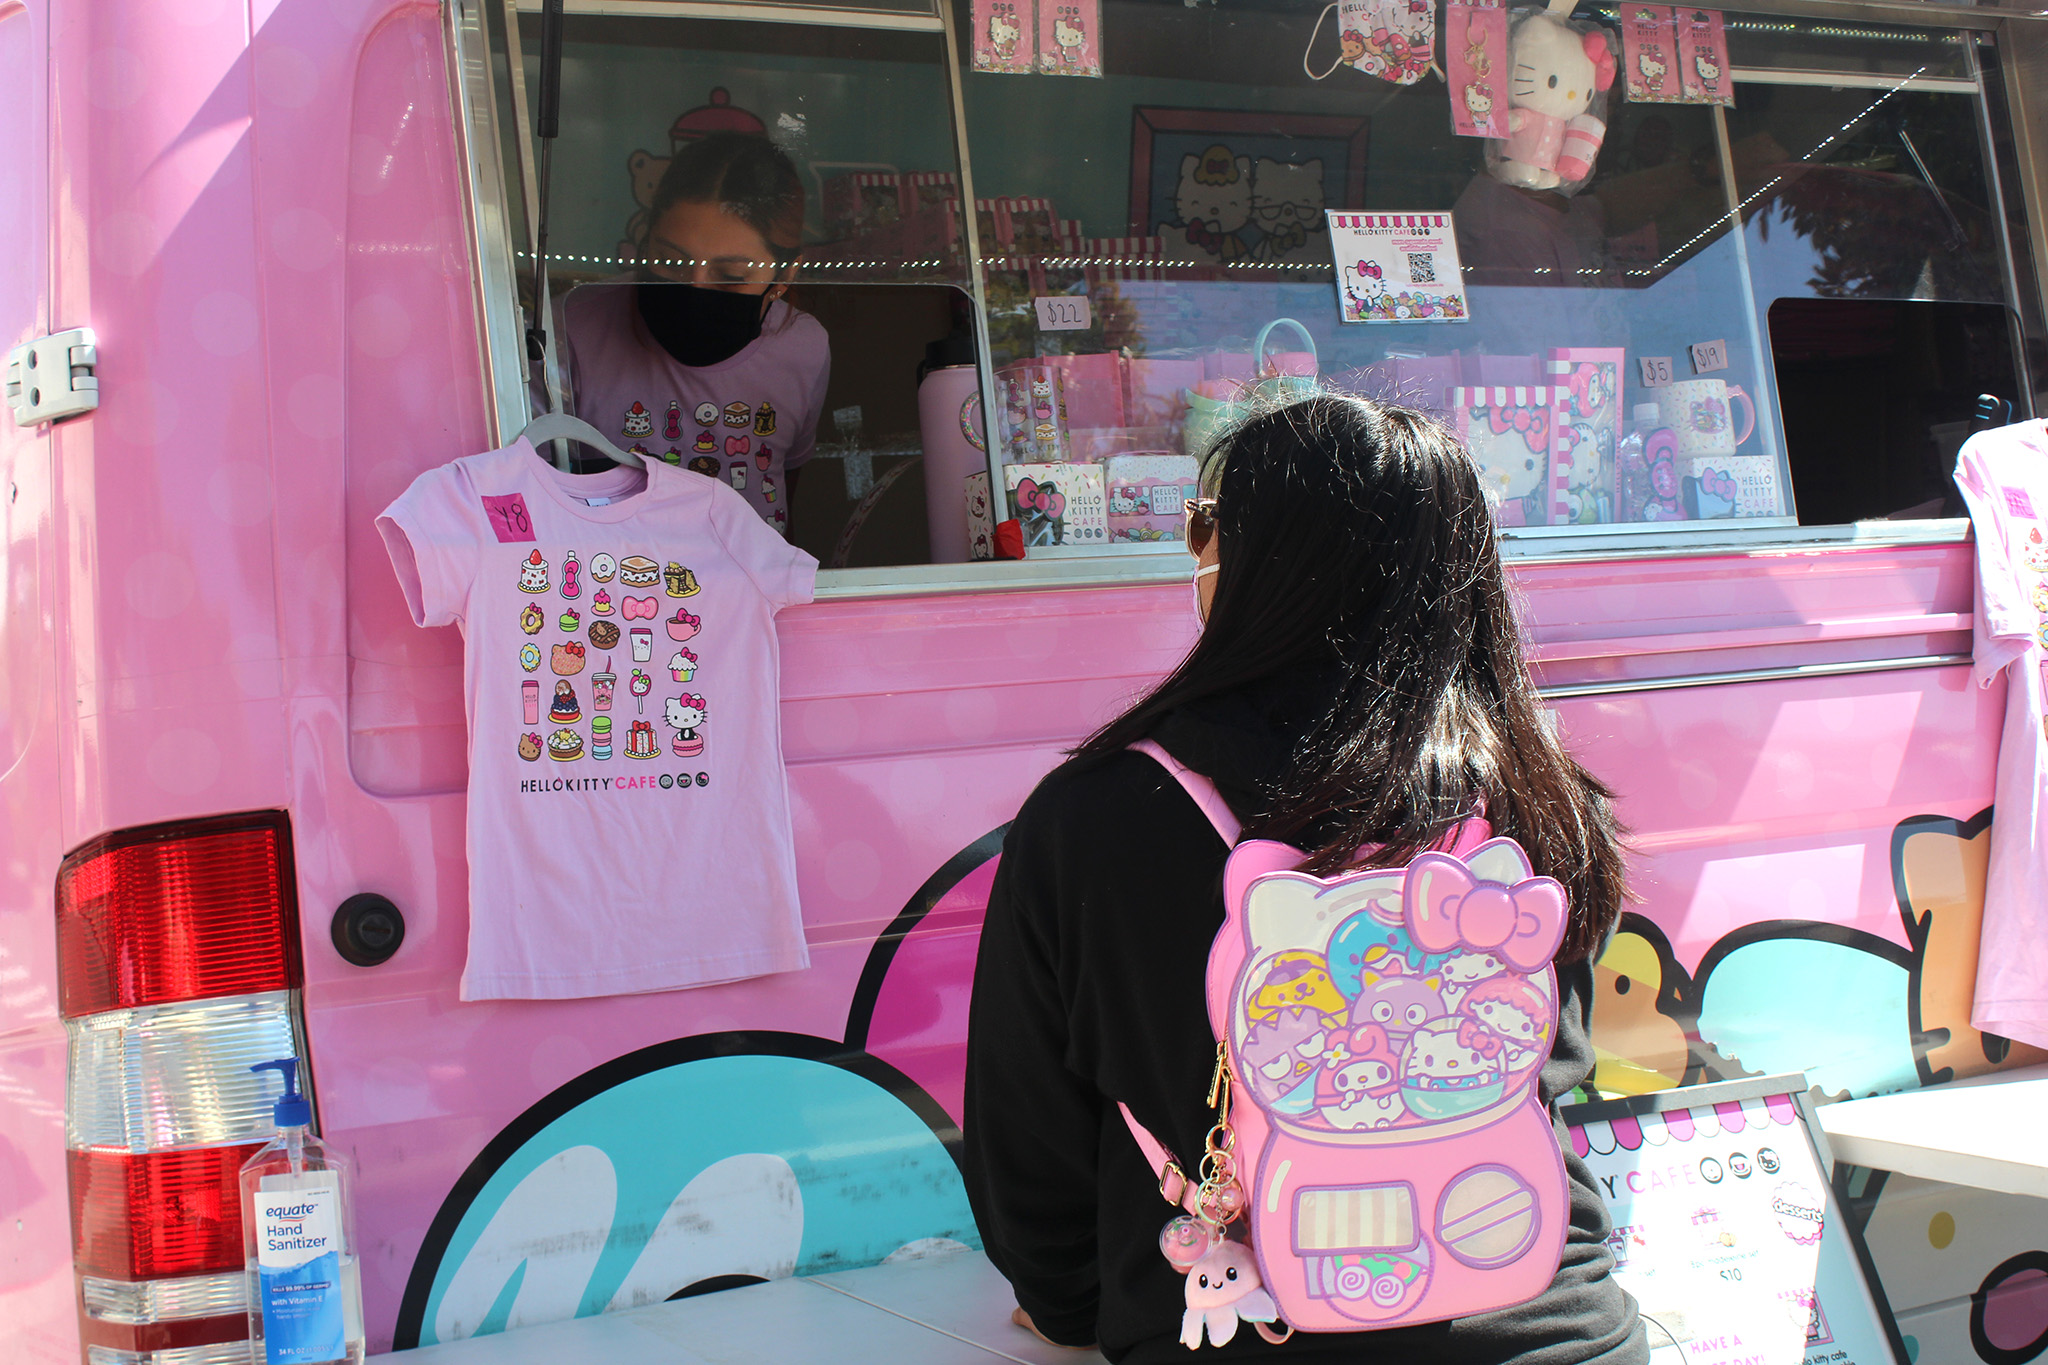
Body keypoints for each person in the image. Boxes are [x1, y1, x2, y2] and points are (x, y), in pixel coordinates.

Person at [962, 395, 1647, 1363]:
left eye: (1203, 526)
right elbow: (1552, 1072)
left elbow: (1025, 1140)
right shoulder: (1536, 788)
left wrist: (1078, 1305)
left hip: (1228, 1323)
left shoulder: (1093, 814)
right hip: (1552, 1321)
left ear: (1248, 559)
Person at [547, 131, 829, 535]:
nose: (694, 287)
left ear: (784, 276)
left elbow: (787, 476)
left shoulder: (804, 347)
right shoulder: (571, 326)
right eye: (670, 260)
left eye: (730, 276)